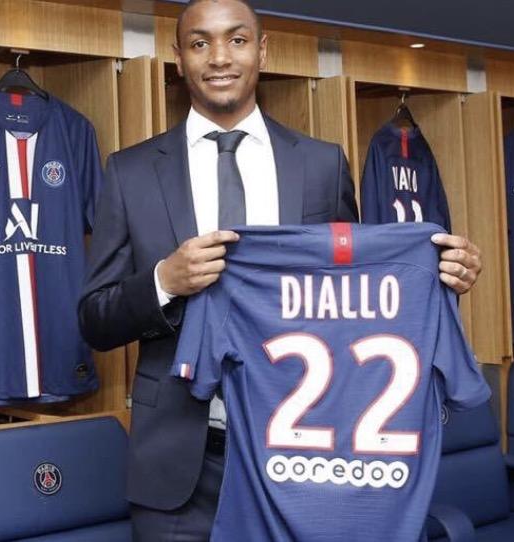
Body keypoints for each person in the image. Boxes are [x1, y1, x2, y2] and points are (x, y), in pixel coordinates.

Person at [77, 0, 483, 539]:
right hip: (180, 469)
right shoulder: (130, 171)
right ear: (178, 59)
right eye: (199, 43)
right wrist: (164, 282)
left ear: (262, 51)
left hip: (301, 459)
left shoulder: (319, 165)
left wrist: (441, 276)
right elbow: (94, 318)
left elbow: (355, 303)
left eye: (237, 40)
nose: (219, 57)